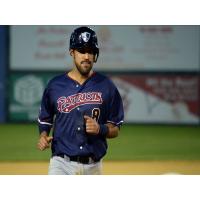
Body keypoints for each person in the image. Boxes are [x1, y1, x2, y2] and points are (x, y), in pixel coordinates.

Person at [37, 26, 124, 175]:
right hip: (61, 164)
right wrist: (43, 136)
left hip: (94, 166)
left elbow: (115, 128)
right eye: (82, 51)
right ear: (72, 52)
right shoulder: (55, 85)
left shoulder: (106, 86)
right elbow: (45, 119)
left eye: (90, 51)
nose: (86, 56)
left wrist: (100, 129)